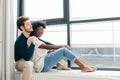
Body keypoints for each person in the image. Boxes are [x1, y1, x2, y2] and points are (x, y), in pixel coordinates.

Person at [27, 21, 96, 73]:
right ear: (34, 30)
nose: (42, 33)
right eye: (40, 31)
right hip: (42, 66)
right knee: (63, 50)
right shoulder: (32, 38)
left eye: (43, 31)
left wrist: (50, 52)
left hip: (42, 64)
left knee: (56, 51)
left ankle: (61, 66)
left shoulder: (36, 39)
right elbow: (45, 46)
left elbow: (39, 52)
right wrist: (63, 46)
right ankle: (83, 66)